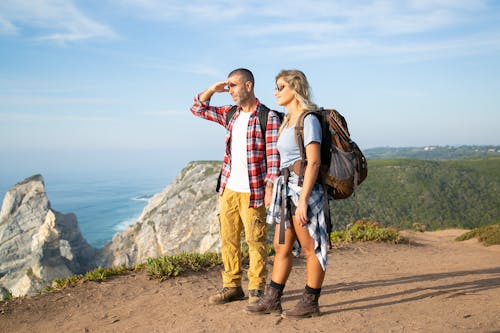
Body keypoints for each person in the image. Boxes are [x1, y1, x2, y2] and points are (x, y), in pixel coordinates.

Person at [190, 68, 281, 305]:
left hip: (254, 192)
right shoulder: (231, 114)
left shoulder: (267, 117)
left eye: (233, 86)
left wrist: (270, 187)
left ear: (248, 86)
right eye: (228, 86)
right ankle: (232, 286)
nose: (229, 91)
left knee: (255, 241)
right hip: (229, 189)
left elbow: (273, 158)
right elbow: (197, 109)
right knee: (228, 239)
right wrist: (212, 89)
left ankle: (256, 290)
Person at [245, 69, 329, 318]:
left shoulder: (308, 119)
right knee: (281, 247)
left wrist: (303, 200)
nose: (275, 92)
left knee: (310, 247)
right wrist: (271, 187)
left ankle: (311, 302)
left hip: (304, 191)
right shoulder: (287, 120)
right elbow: (280, 160)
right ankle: (272, 299)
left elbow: (313, 163)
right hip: (285, 191)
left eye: (281, 87)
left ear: (295, 88)